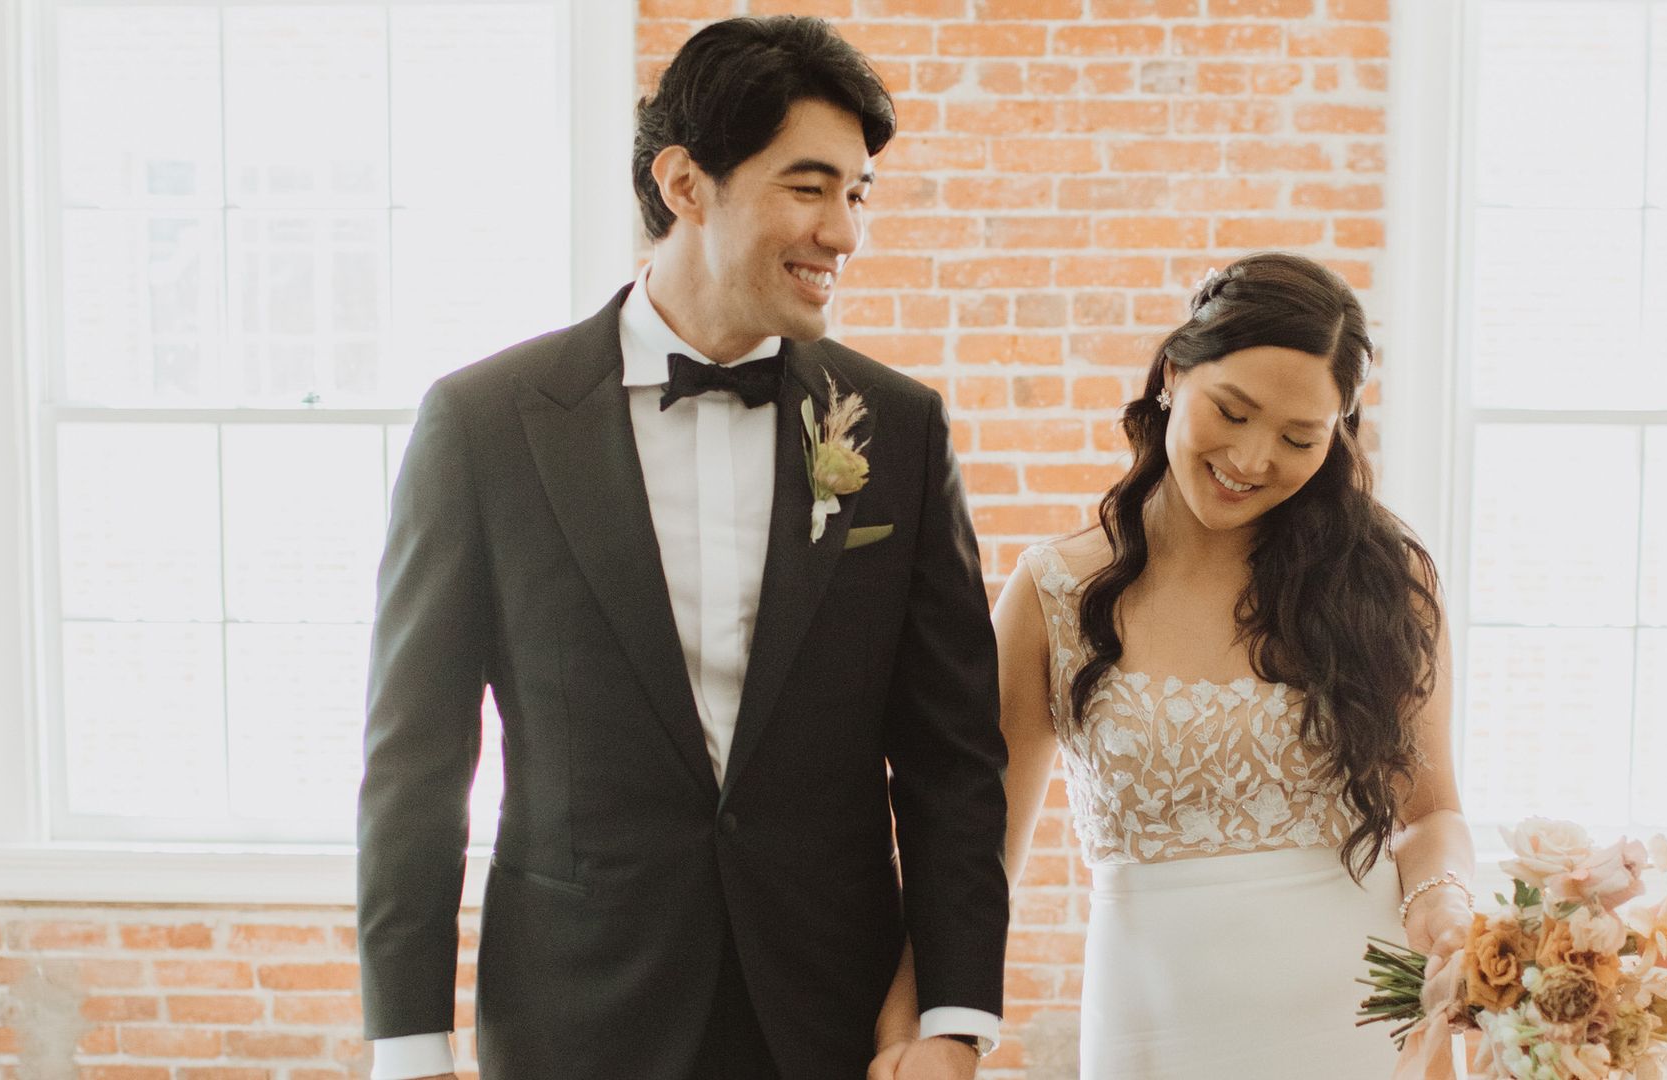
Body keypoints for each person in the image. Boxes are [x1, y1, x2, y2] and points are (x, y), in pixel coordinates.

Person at [355, 17, 1008, 1080]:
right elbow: (415, 761)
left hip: (833, 1016)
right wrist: (410, 1043)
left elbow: (953, 762)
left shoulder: (897, 426)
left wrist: (953, 1014)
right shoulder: (482, 424)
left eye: (858, 194)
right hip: (576, 1012)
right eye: (808, 186)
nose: (843, 232)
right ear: (685, 183)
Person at [891, 252, 1475, 1076]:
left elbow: (1431, 813)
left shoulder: (1387, 584)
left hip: (1361, 1025)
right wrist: (926, 1033)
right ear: (1172, 374)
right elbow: (970, 853)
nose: (1253, 457)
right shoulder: (1055, 592)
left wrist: (1442, 903)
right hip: (1154, 1030)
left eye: (1299, 437)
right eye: (1231, 412)